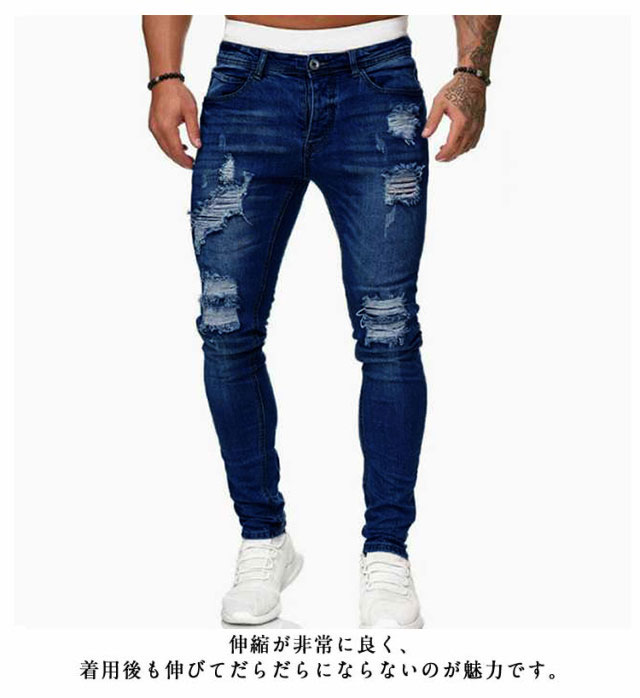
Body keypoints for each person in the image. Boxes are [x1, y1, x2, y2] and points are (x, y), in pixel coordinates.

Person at [142, 14, 501, 628]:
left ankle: (387, 551)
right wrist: (164, 75)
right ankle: (263, 538)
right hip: (248, 82)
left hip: (377, 80)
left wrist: (473, 72)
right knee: (226, 328)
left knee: (388, 330)